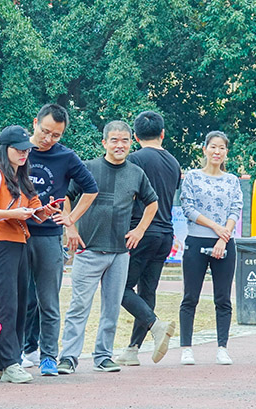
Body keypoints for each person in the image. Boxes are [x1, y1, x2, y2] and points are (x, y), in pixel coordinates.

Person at [0, 104, 99, 376]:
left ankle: (46, 356)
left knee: (46, 300)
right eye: (45, 132)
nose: (48, 139)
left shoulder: (60, 158)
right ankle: (9, 358)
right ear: (35, 123)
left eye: (56, 135)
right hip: (11, 237)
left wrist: (67, 218)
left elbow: (90, 188)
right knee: (13, 300)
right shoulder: (6, 159)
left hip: (44, 235)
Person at [58, 121, 158, 374]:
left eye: (124, 140)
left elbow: (152, 203)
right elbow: (65, 198)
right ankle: (68, 357)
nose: (119, 145)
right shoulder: (87, 168)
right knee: (79, 306)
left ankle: (103, 356)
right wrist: (70, 227)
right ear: (104, 143)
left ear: (131, 143)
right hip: (88, 249)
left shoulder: (136, 173)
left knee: (112, 307)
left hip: (120, 252)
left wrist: (139, 230)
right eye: (114, 140)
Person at [0, 125, 57, 384]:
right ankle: (10, 361)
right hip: (1, 244)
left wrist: (46, 211)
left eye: (26, 150)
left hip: (21, 242)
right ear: (5, 149)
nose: (24, 154)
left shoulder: (23, 177)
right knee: (6, 303)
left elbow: (34, 209)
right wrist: (12, 213)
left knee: (21, 304)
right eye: (19, 150)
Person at [115, 111, 178, 367]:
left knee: (120, 289)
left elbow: (127, 197)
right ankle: (132, 349)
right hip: (165, 234)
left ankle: (155, 325)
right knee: (147, 289)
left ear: (135, 136)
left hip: (141, 231)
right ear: (162, 134)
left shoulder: (134, 160)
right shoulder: (174, 162)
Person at [178, 131, 243, 365]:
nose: (217, 151)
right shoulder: (193, 177)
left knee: (223, 297)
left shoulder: (232, 180)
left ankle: (222, 347)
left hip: (225, 243)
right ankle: (186, 347)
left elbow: (235, 209)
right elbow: (189, 209)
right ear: (204, 149)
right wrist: (216, 228)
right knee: (190, 296)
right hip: (197, 240)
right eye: (213, 147)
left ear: (226, 152)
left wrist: (223, 238)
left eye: (222, 148)